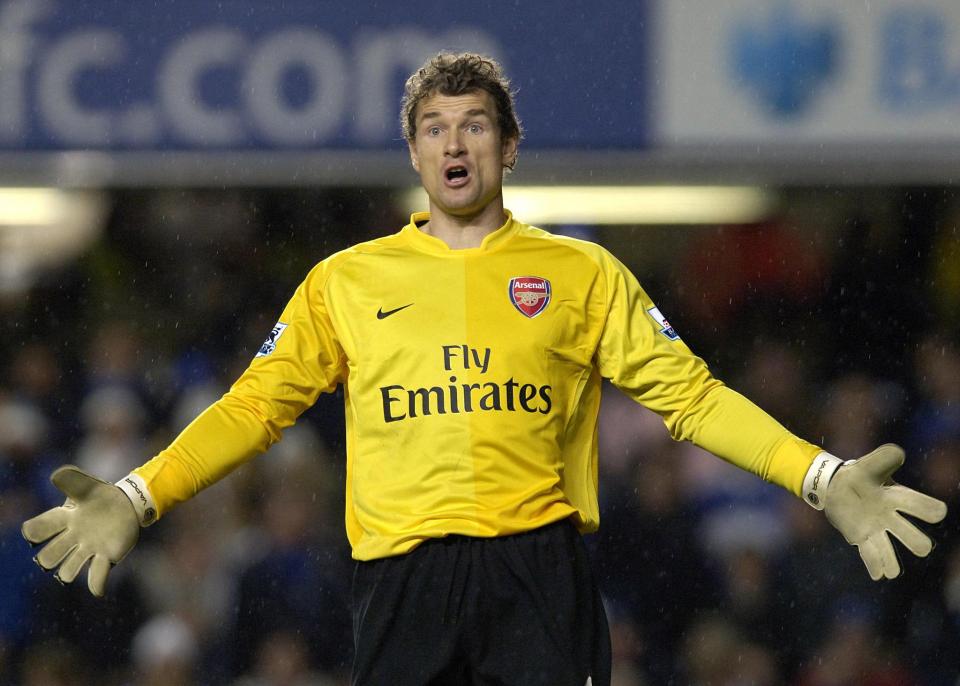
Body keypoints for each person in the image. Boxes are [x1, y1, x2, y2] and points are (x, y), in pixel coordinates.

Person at [22, 53, 947, 686]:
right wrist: (139, 495)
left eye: (474, 126)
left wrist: (820, 476)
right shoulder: (344, 282)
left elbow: (692, 398)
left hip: (537, 576)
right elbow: (253, 409)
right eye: (434, 128)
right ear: (414, 152)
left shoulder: (581, 273)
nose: (454, 144)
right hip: (401, 582)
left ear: (508, 148)